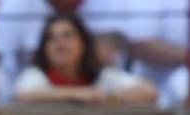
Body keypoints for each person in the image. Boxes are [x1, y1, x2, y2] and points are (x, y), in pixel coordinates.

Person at [14, 11, 156, 105]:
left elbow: (149, 92)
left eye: (67, 35)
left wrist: (108, 99)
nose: (59, 43)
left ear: (83, 43)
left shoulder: (103, 76)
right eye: (51, 38)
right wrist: (77, 94)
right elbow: (22, 94)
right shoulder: (37, 75)